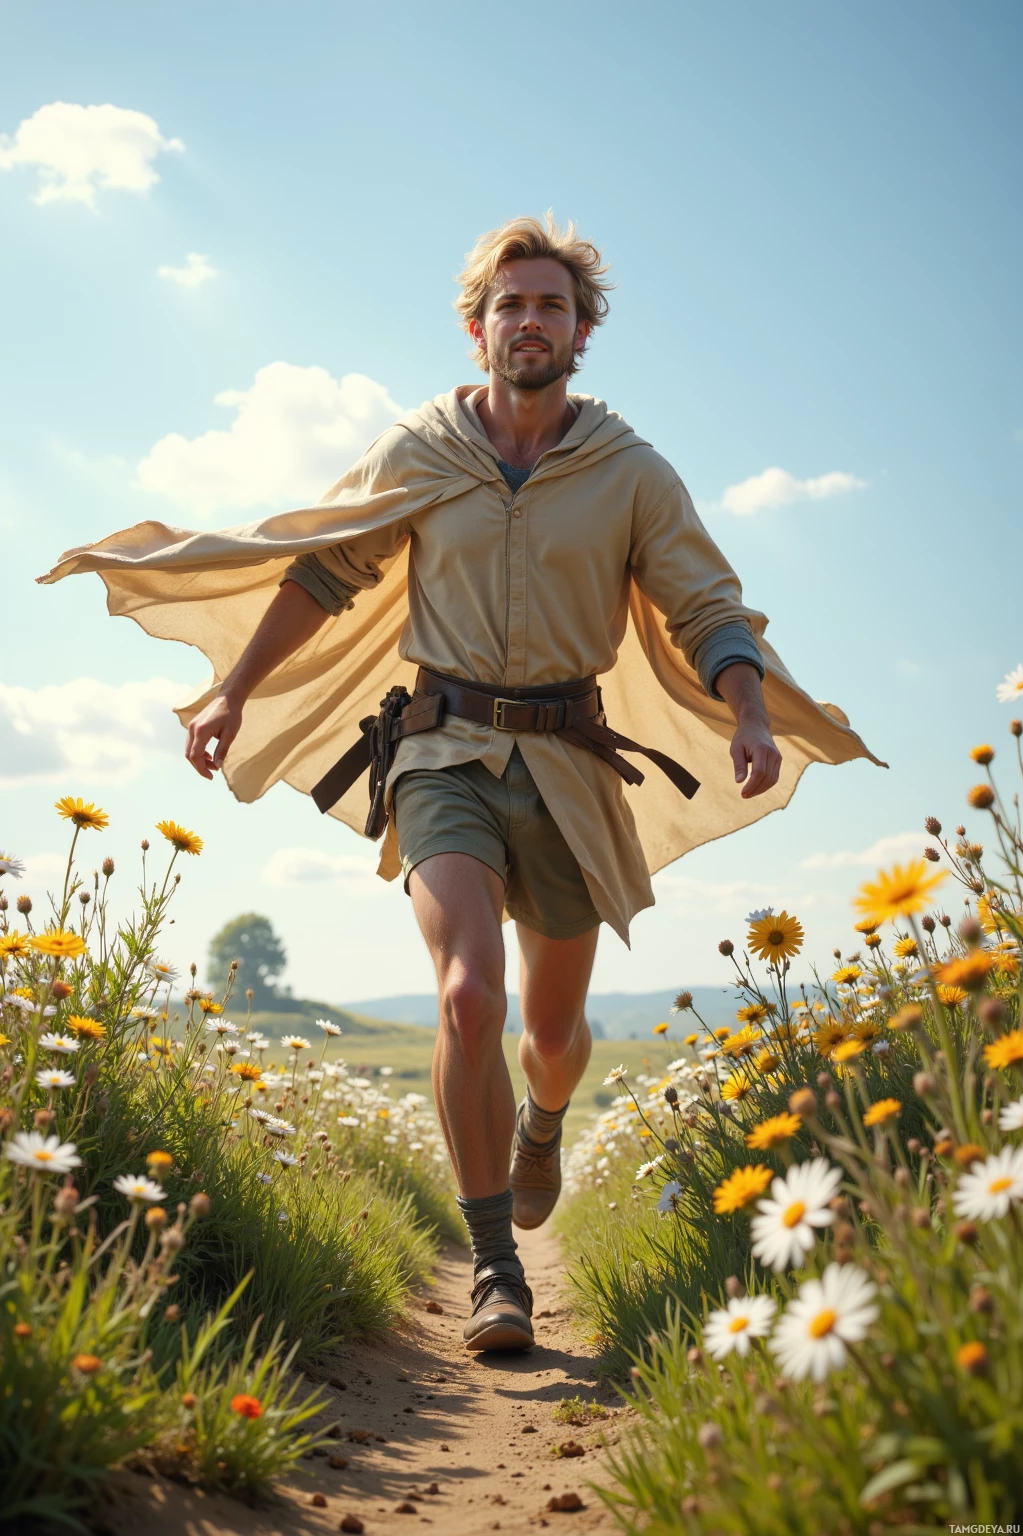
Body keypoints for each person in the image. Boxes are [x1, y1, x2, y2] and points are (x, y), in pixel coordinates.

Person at [40, 215, 881, 1353]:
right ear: (475, 323)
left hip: (573, 766)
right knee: (465, 996)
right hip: (439, 748)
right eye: (509, 304)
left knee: (549, 1029)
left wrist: (745, 710)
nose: (528, 321)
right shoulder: (422, 451)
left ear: (581, 330)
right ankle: (497, 1270)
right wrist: (232, 689)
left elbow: (705, 606)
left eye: (550, 305)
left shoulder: (632, 472)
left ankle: (544, 1122)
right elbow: (326, 568)